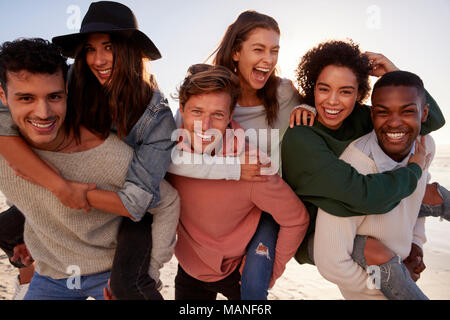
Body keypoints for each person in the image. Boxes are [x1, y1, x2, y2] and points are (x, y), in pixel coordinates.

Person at [0, 1, 177, 300]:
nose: (99, 59)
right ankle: (28, 273)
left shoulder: (157, 114)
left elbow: (136, 202)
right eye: (90, 49)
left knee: (129, 286)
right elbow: (6, 116)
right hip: (74, 188)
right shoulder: (70, 78)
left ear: (131, 49)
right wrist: (56, 185)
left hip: (126, 203)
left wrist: (71, 192)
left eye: (109, 47)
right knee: (5, 228)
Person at [282, 40, 446, 299]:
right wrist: (414, 172)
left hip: (361, 212)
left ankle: (431, 199)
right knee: (386, 264)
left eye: (346, 91)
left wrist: (392, 73)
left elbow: (429, 120)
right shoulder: (301, 138)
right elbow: (362, 195)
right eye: (324, 89)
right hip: (320, 233)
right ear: (312, 87)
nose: (332, 101)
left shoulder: (359, 117)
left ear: (359, 93)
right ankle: (426, 198)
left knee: (424, 159)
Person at [171, 10, 315, 300]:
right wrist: (233, 169)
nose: (269, 59)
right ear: (236, 52)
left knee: (253, 287)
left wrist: (309, 110)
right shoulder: (212, 96)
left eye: (274, 50)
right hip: (224, 213)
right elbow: (172, 157)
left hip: (267, 205)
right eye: (258, 49)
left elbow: (325, 119)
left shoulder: (283, 93)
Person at [314, 70, 435, 300]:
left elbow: (417, 196)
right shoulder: (353, 167)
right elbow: (331, 262)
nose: (395, 122)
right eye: (383, 113)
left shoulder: (425, 146)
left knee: (440, 197)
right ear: (372, 116)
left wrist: (416, 243)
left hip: (400, 264)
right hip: (369, 290)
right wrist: (388, 285)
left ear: (424, 114)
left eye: (408, 111)